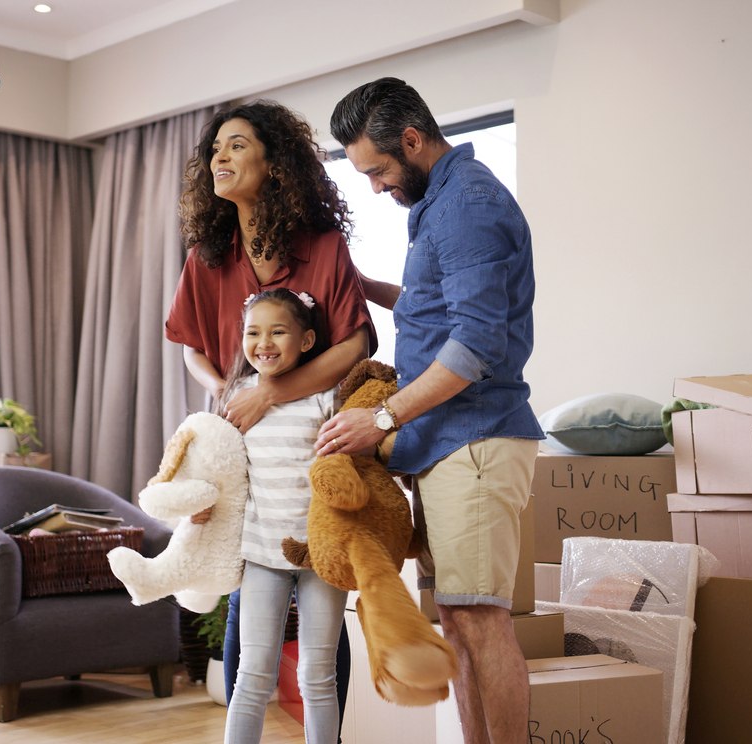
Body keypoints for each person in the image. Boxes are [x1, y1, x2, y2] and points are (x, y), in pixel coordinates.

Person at [317, 77, 543, 744]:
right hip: (449, 444)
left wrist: (382, 418)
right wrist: (356, 287)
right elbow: (436, 311)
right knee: (460, 619)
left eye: (379, 170)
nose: (377, 187)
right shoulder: (444, 206)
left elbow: (474, 346)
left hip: (472, 442)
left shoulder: (466, 207)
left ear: (411, 140)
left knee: (479, 621)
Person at [165, 100, 364, 727]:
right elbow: (193, 349)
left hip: (316, 445)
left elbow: (356, 344)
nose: (219, 157)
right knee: (247, 633)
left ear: (275, 164)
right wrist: (228, 388)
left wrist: (270, 392)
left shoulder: (325, 247)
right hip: (242, 447)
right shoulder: (206, 256)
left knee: (323, 650)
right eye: (215, 149)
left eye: (237, 146)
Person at [221, 289, 347, 744]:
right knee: (253, 673)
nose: (263, 342)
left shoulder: (326, 397)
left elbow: (351, 467)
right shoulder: (237, 398)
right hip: (261, 553)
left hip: (322, 556)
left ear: (307, 340)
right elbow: (224, 470)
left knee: (318, 674)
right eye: (253, 332)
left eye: (278, 331)